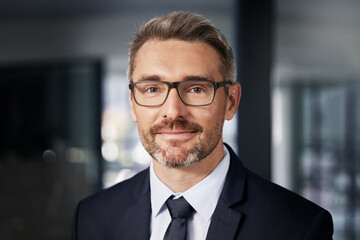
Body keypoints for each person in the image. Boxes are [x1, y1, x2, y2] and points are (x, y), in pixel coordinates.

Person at [72, 11, 333, 240]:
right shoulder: (92, 217)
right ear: (132, 103)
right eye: (152, 88)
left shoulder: (299, 227)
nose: (173, 111)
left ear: (231, 101)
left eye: (196, 88)